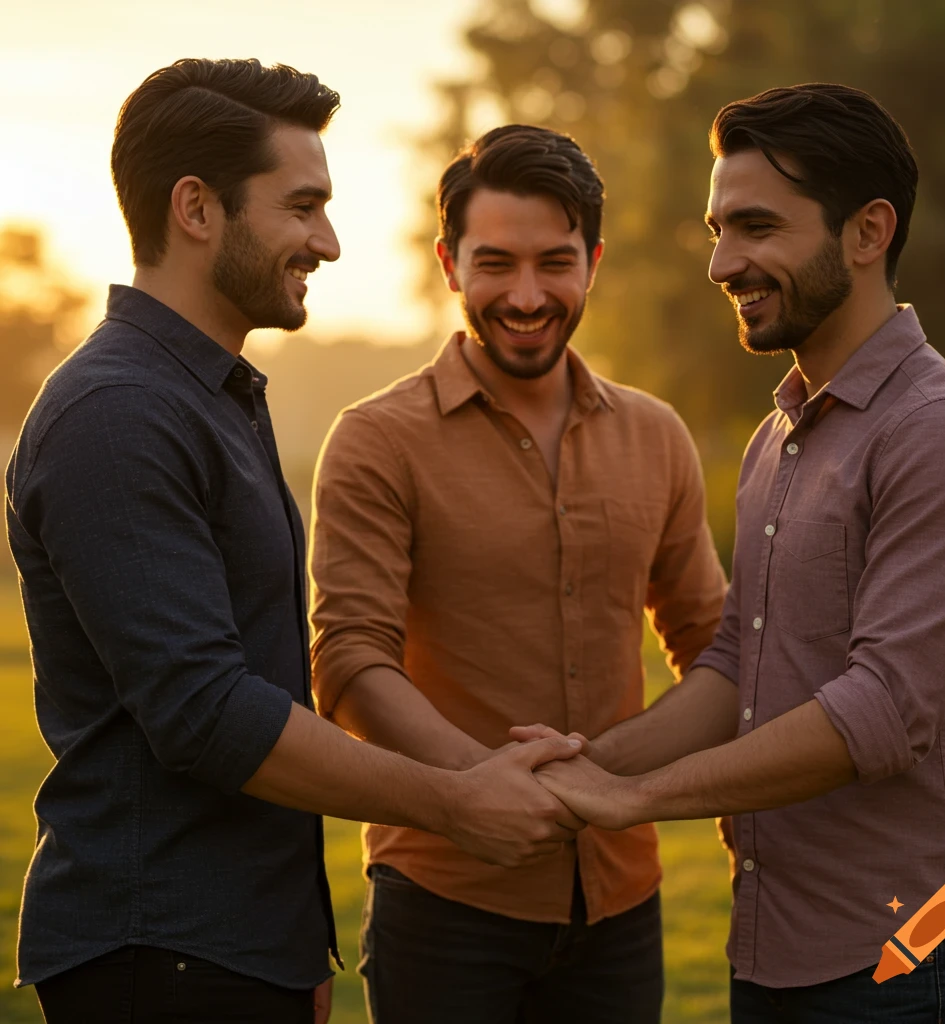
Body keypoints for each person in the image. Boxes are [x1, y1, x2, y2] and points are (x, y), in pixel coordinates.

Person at [5, 60, 584, 1024]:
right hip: (162, 956)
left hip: (233, 948)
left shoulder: (206, 395)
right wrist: (455, 803)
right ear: (197, 208)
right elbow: (206, 712)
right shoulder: (118, 413)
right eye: (303, 206)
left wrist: (291, 940)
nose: (329, 241)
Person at [525, 84, 945, 1022]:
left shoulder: (941, 431)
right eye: (718, 230)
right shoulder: (781, 435)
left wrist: (639, 800)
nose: (723, 263)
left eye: (757, 227)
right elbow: (737, 666)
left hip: (910, 957)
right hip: (777, 949)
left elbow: (883, 711)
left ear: (868, 232)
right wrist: (591, 763)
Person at [308, 123, 727, 1023]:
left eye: (555, 263)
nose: (527, 296)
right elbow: (348, 659)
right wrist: (477, 790)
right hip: (444, 900)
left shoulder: (657, 436)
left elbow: (715, 649)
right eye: (495, 264)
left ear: (594, 264)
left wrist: (602, 779)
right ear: (449, 265)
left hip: (621, 902)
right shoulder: (376, 441)